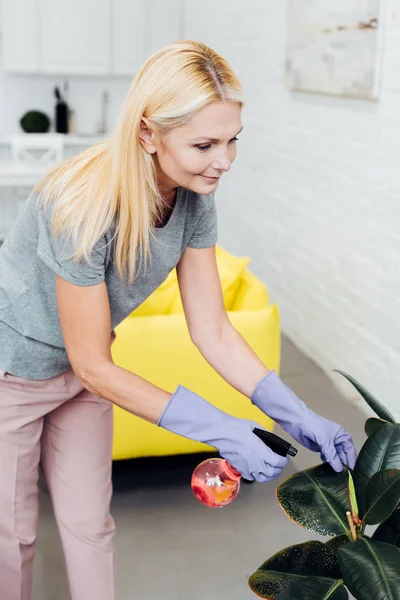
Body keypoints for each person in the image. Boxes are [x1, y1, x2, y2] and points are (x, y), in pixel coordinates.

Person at [0, 40, 357, 600]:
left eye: (233, 139)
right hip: (12, 375)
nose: (225, 160)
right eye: (204, 144)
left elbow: (211, 327)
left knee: (91, 527)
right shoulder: (80, 205)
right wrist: (223, 429)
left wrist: (297, 414)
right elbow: (92, 361)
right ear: (148, 134)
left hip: (84, 377)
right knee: (12, 539)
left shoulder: (194, 198)